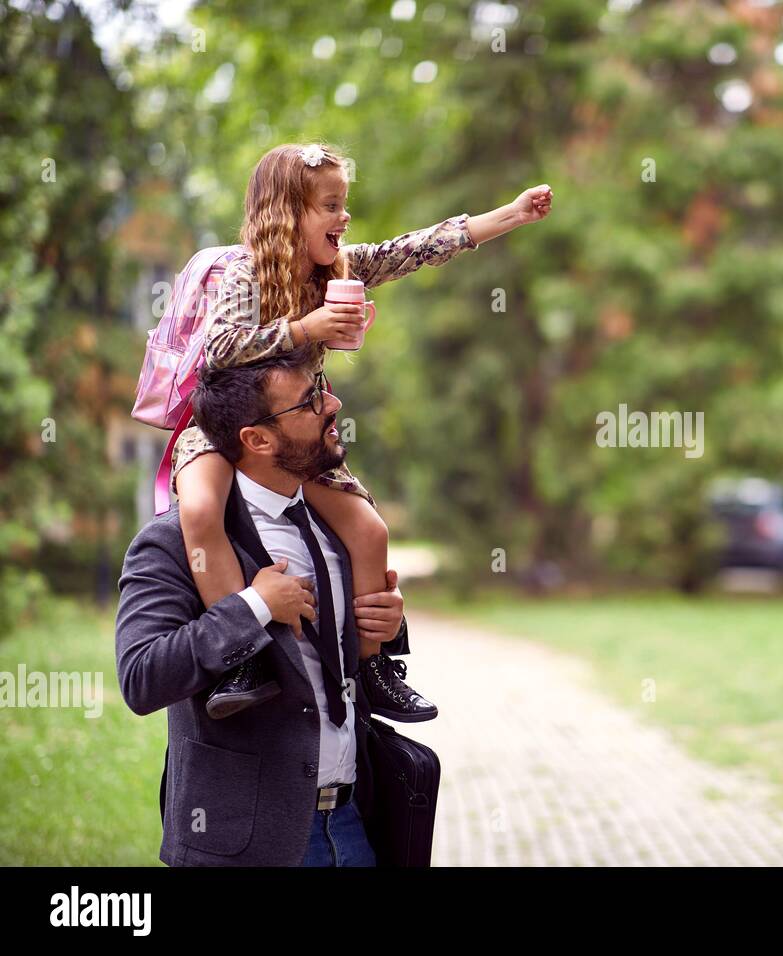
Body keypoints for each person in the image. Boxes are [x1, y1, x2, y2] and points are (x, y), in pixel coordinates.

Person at [171, 141, 552, 721]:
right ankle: (238, 659)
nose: (343, 217)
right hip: (223, 426)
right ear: (287, 213)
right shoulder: (245, 273)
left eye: (344, 204)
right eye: (329, 205)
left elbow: (417, 248)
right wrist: (306, 328)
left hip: (298, 430)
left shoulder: (340, 268)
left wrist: (511, 214)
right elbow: (218, 351)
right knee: (200, 512)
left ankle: (374, 667)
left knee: (370, 531)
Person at [116, 349, 408, 865]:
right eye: (309, 401)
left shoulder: (338, 530)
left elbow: (332, 654)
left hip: (353, 824)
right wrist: (252, 605)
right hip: (247, 845)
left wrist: (390, 622)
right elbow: (142, 677)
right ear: (257, 439)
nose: (333, 403)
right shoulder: (175, 543)